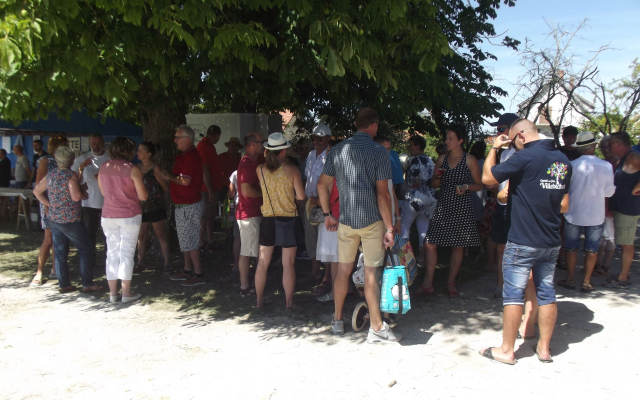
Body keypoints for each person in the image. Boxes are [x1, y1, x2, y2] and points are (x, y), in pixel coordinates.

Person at [480, 118, 571, 365]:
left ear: (520, 135)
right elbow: (565, 205)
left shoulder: (525, 157)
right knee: (547, 292)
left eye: (513, 141)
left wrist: (494, 148)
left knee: (513, 294)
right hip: (551, 239)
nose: (513, 146)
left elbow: (487, 178)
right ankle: (544, 349)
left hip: (522, 239)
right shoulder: (562, 160)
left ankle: (507, 350)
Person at [317, 107, 400, 342]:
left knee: (343, 271)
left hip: (346, 221)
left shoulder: (338, 150)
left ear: (356, 124)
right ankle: (376, 327)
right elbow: (383, 194)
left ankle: (337, 320)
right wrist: (390, 228)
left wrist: (327, 215)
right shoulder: (379, 151)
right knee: (371, 273)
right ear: (373, 125)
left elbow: (322, 185)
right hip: (372, 221)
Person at [420, 124, 482, 298]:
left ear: (460, 141)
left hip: (461, 206)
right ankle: (428, 283)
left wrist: (466, 186)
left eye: (450, 139)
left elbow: (479, 185)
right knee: (430, 243)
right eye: (446, 138)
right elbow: (434, 185)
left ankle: (451, 282)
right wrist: (438, 177)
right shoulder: (442, 159)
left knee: (458, 245)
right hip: (444, 204)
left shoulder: (469, 159)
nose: (446, 141)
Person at [32, 146, 101, 294]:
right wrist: (82, 190)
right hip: (70, 219)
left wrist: (49, 204)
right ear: (71, 160)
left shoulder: (51, 174)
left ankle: (63, 284)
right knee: (86, 249)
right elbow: (76, 197)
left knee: (60, 252)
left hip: (54, 219)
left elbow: (36, 191)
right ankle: (87, 283)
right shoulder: (70, 175)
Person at [557, 132, 615, 293]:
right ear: (594, 146)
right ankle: (586, 282)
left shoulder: (571, 165)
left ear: (578, 148)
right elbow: (609, 192)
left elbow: (563, 189)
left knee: (571, 247)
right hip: (595, 214)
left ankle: (570, 279)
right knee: (592, 249)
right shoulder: (606, 166)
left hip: (573, 212)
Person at [254, 133, 305, 308]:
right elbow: (301, 196)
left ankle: (259, 300)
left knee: (262, 263)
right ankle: (289, 303)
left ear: (267, 150)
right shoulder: (292, 170)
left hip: (268, 219)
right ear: (284, 151)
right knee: (288, 264)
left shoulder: (260, 170)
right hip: (288, 219)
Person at [98, 137, 148, 303]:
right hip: (129, 215)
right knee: (126, 253)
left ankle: (113, 293)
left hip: (108, 214)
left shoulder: (104, 167)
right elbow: (143, 196)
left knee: (112, 253)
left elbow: (103, 192)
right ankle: (126, 293)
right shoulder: (132, 169)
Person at [162, 125, 205, 286]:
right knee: (186, 240)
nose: (175, 140)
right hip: (184, 204)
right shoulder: (185, 155)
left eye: (177, 137)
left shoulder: (190, 157)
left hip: (188, 205)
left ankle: (198, 274)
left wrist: (169, 176)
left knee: (191, 241)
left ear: (187, 139)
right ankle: (187, 270)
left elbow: (185, 181)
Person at [604, 131, 640, 290]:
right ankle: (622, 275)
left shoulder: (633, 157)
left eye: (611, 143)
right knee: (624, 243)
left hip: (628, 208)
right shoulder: (624, 158)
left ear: (619, 145)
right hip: (622, 207)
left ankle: (623, 278)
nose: (608, 146)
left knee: (626, 244)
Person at [31, 135, 68, 286]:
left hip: (61, 205)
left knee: (59, 239)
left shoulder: (64, 161)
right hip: (47, 204)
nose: (66, 146)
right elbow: (39, 187)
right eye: (64, 144)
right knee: (48, 239)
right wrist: (47, 207)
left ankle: (55, 269)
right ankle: (39, 272)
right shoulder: (45, 161)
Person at [71, 133, 111, 269]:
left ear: (103, 143)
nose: (95, 146)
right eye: (93, 143)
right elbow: (72, 178)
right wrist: (79, 188)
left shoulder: (110, 158)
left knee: (108, 234)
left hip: (107, 202)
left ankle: (109, 260)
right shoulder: (82, 159)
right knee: (89, 233)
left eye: (98, 143)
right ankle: (90, 260)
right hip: (89, 203)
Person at [302, 124, 332, 287]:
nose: (316, 141)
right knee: (311, 238)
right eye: (314, 138)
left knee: (325, 240)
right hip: (310, 203)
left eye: (320, 138)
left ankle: (327, 275)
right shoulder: (311, 155)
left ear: (328, 139)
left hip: (324, 204)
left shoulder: (331, 156)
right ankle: (315, 271)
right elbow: (307, 178)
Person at [135, 142, 171, 273]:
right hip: (141, 207)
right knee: (141, 235)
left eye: (140, 150)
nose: (137, 153)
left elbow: (165, 188)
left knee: (161, 234)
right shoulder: (137, 168)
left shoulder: (156, 168)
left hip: (155, 206)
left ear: (148, 154)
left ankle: (167, 263)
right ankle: (140, 262)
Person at [236, 132, 264, 296]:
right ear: (252, 144)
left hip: (252, 212)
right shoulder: (247, 164)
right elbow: (246, 190)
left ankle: (250, 285)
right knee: (247, 252)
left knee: (250, 250)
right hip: (249, 213)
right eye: (261, 142)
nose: (263, 145)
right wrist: (266, 194)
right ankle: (244, 287)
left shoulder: (252, 162)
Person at [400, 135, 436, 266]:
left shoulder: (415, 161)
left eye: (411, 145)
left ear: (417, 146)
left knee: (404, 226)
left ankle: (404, 257)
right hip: (429, 199)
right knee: (423, 228)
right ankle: (423, 257)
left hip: (414, 199)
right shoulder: (430, 161)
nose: (409, 148)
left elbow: (411, 181)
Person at [315, 140, 342, 302]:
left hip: (333, 219)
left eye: (329, 151)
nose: (326, 153)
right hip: (346, 218)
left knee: (335, 261)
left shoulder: (331, 174)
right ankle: (346, 288)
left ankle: (334, 293)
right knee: (344, 259)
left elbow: (323, 198)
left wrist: (314, 200)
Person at [197, 125, 224, 253]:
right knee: (204, 215)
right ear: (216, 135)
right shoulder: (204, 146)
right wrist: (210, 189)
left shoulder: (208, 146)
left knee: (210, 215)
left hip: (211, 187)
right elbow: (204, 169)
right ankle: (200, 243)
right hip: (206, 189)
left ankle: (210, 240)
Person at [594, 135, 619, 277]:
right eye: (603, 147)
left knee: (610, 237)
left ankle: (606, 264)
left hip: (613, 204)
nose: (605, 150)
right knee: (601, 236)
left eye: (608, 146)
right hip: (600, 203)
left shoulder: (618, 163)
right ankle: (596, 263)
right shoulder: (603, 163)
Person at [228, 170, 241, 272]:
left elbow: (231, 193)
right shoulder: (258, 170)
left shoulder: (235, 173)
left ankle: (236, 264)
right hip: (255, 205)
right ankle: (258, 263)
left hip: (239, 206)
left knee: (238, 237)